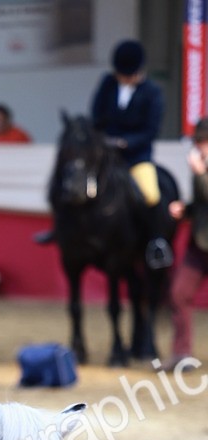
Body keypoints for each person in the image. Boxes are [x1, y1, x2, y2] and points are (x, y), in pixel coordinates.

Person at [91, 39, 171, 268]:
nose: (124, 79)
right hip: (107, 154)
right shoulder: (107, 84)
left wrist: (126, 142)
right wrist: (106, 139)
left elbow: (151, 130)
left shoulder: (152, 92)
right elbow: (96, 115)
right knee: (79, 184)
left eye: (128, 75)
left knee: (151, 194)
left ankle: (156, 244)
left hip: (136, 156)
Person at [161, 117, 208, 370]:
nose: (200, 147)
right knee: (179, 294)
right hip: (200, 244)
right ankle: (182, 355)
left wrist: (200, 174)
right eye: (199, 141)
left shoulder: (201, 169)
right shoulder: (201, 167)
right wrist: (186, 209)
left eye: (204, 142)